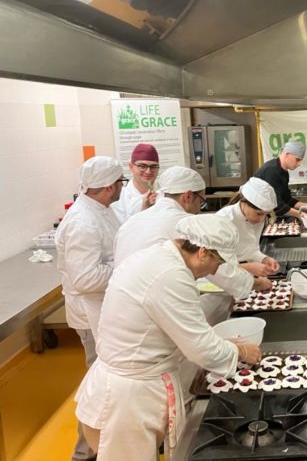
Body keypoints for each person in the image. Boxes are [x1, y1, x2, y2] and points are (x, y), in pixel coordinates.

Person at [75, 215, 262, 461]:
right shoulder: (171, 275)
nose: (216, 270)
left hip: (124, 388)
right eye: (218, 263)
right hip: (126, 403)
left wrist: (225, 345)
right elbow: (201, 349)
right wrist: (241, 352)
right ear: (203, 252)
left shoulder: (159, 256)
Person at [113, 166, 266, 323]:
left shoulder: (132, 222)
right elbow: (221, 271)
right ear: (187, 196)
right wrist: (256, 283)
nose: (199, 208)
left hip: (118, 308)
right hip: (151, 312)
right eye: (201, 201)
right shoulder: (185, 225)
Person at [55, 156, 124, 461]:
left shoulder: (101, 210)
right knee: (99, 390)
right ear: (109, 186)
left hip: (104, 309)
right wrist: (125, 266)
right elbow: (86, 279)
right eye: (120, 182)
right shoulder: (82, 222)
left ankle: (103, 448)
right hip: (91, 314)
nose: (122, 187)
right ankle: (84, 454)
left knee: (106, 387)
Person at [217, 177, 280, 277]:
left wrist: (264, 259)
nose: (261, 220)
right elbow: (215, 267)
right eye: (259, 214)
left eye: (266, 214)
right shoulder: (224, 220)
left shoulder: (255, 219)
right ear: (243, 202)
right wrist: (249, 268)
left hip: (242, 275)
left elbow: (250, 249)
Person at [254, 140, 307, 219]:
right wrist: (300, 214)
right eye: (297, 159)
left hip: (260, 216)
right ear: (287, 154)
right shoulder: (271, 170)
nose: (299, 164)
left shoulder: (284, 173)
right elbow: (278, 206)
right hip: (252, 215)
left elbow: (287, 200)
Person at [111, 143, 160, 223]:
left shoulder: (165, 193)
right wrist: (144, 211)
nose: (148, 171)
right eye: (142, 166)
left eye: (153, 167)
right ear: (131, 167)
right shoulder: (119, 198)